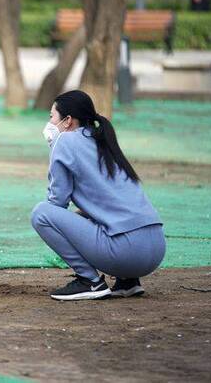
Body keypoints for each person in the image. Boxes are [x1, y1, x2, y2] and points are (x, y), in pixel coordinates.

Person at [31, 90, 165, 301]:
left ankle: (90, 282)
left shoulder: (64, 141)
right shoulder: (104, 141)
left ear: (67, 121)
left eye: (51, 117)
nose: (49, 123)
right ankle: (128, 281)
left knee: (41, 214)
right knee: (87, 214)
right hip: (156, 249)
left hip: (125, 252)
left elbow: (57, 202)